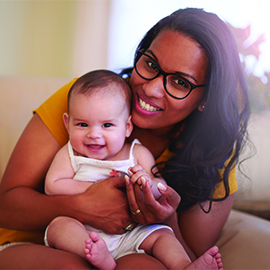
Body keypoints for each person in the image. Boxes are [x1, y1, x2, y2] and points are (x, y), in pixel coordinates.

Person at [0, 8, 251, 269]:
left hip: (131, 246)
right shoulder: (86, 102)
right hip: (37, 243)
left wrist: (167, 219)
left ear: (206, 99)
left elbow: (190, 256)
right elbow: (5, 207)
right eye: (151, 64)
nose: (151, 89)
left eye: (179, 82)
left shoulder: (214, 155)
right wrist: (83, 206)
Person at [44, 69, 223, 270]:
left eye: (107, 125)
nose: (94, 134)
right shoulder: (71, 154)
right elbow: (53, 185)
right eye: (83, 124)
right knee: (58, 226)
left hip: (131, 235)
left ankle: (183, 266)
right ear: (67, 124)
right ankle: (100, 256)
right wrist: (92, 191)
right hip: (84, 232)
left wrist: (147, 184)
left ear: (127, 126)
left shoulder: (137, 153)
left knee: (162, 234)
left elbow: (159, 184)